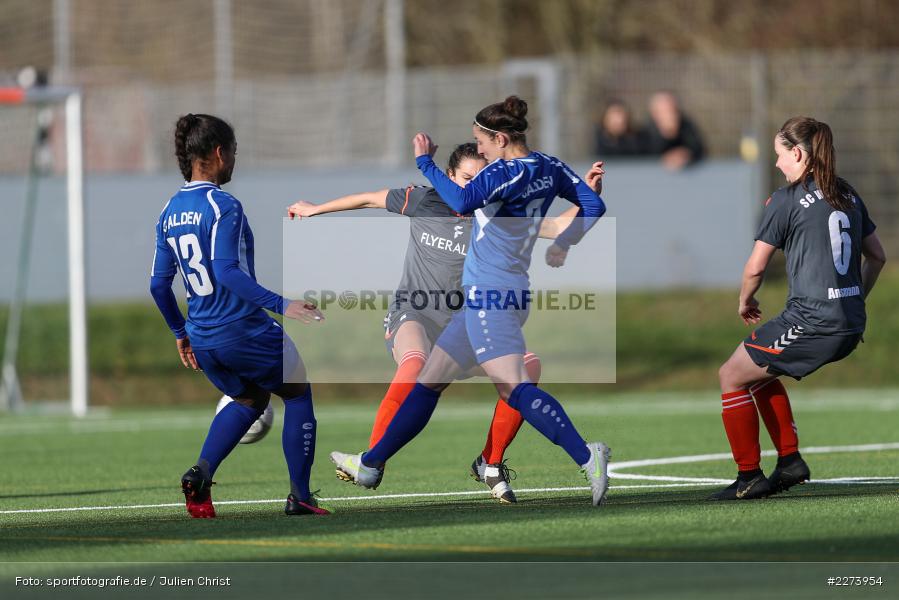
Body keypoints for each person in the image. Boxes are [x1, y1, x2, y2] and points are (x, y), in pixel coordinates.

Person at [330, 96, 613, 507]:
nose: (478, 148)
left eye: (481, 140)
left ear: (500, 138)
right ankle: (370, 464)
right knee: (428, 383)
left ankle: (588, 456)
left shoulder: (501, 173)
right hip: (496, 296)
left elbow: (461, 201)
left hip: (491, 297)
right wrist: (565, 243)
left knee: (515, 389)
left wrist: (425, 163)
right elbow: (594, 204)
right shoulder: (549, 167)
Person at [149, 113, 328, 518]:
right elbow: (227, 270)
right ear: (219, 153)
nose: (234, 160)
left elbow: (159, 286)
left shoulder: (168, 211)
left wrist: (181, 332)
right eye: (233, 152)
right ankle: (300, 496)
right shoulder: (222, 204)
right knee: (297, 393)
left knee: (249, 398)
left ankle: (201, 474)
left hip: (205, 337)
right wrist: (284, 305)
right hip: (243, 328)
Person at [712, 116, 886, 500]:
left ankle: (748, 476)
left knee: (730, 375)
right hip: (850, 320)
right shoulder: (848, 193)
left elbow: (756, 266)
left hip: (813, 319)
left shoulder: (785, 200)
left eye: (779, 155)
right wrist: (856, 297)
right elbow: (877, 256)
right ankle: (789, 461)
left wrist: (745, 299)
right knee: (758, 371)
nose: (776, 164)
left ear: (797, 153)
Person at [645, 91, 705, 170]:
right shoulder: (645, 132)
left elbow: (698, 150)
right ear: (654, 113)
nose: (669, 115)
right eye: (664, 111)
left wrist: (685, 154)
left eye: (672, 110)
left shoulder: (687, 127)